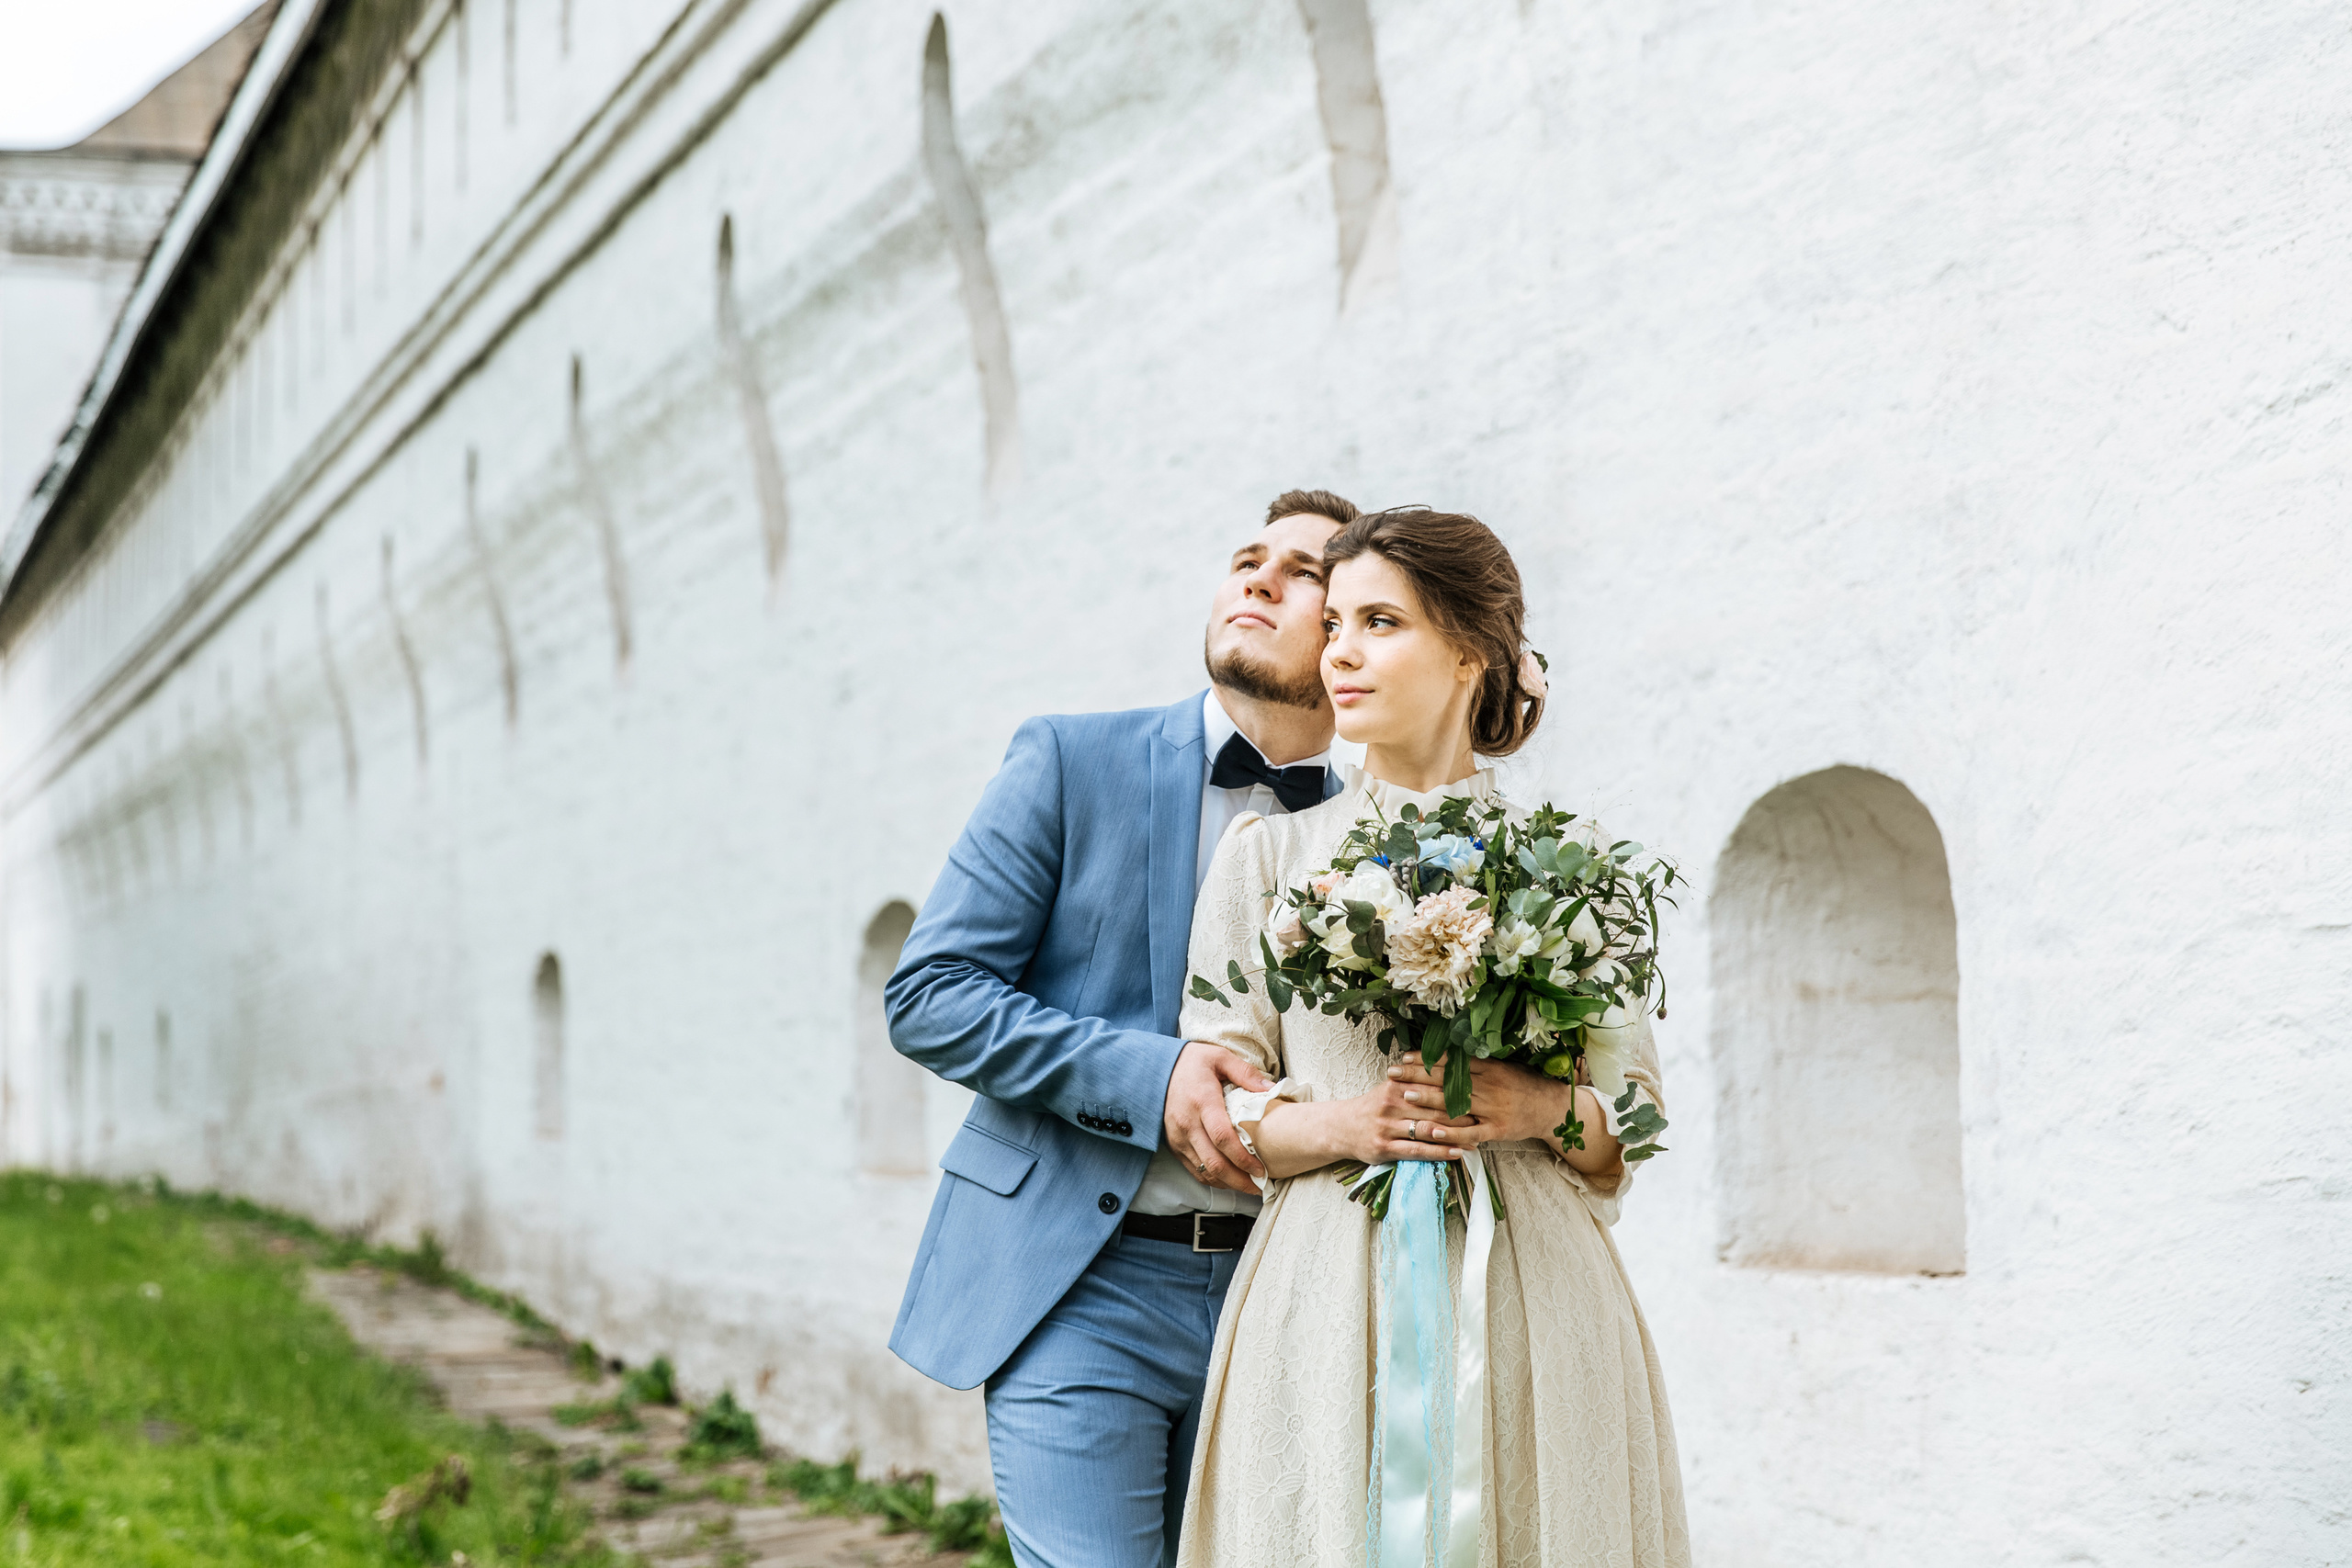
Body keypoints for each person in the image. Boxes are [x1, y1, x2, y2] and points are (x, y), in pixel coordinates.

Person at [1173, 507, 1690, 1567]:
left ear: (1466, 651)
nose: (1342, 652)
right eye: (1337, 625)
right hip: (1325, 1294)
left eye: (1380, 622)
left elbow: (1633, 1116)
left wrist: (1539, 1107)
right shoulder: (1265, 859)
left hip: (1533, 1301)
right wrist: (1346, 1122)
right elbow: (1220, 1112)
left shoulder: (1579, 866)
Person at [885, 489, 1367, 1568]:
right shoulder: (1068, 759)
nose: (1258, 578)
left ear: (1351, 637)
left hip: (1282, 1299)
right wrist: (1151, 1078)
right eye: (1248, 558)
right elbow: (930, 993)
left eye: (1302, 573)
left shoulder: (1372, 839)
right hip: (1077, 1280)